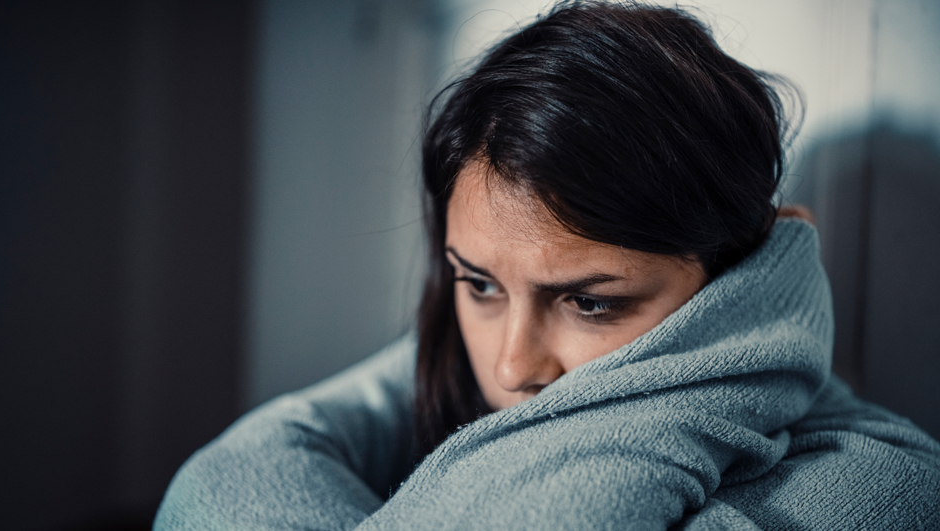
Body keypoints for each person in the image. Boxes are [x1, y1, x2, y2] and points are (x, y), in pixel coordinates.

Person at [154, 2, 940, 529]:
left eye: (592, 303)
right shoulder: (427, 394)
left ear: (749, 276)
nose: (512, 362)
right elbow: (228, 478)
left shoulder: (882, 488)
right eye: (481, 285)